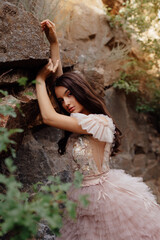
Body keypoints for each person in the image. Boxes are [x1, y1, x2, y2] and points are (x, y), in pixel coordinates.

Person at [36, 20, 160, 240]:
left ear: (81, 91)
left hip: (105, 200)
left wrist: (38, 79)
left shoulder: (99, 122)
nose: (66, 103)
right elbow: (61, 80)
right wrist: (54, 42)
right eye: (61, 99)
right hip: (81, 198)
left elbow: (47, 116)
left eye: (70, 95)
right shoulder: (77, 119)